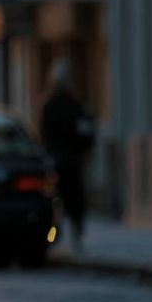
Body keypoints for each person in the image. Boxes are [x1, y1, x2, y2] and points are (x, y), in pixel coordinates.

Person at [38, 59, 95, 251]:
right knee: (74, 201)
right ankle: (75, 236)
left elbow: (43, 134)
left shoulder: (50, 104)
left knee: (58, 202)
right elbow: (85, 132)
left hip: (57, 160)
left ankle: (54, 235)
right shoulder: (75, 104)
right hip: (71, 159)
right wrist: (85, 150)